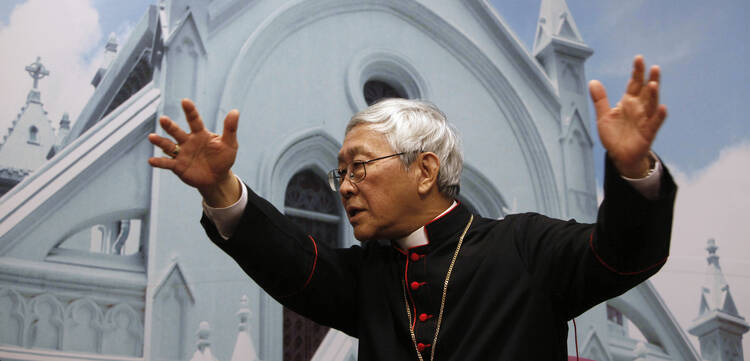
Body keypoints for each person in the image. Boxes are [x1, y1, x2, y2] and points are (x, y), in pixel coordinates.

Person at [148, 55, 675, 360]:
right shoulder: (369, 278)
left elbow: (622, 255)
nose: (344, 187)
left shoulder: (525, 248)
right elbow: (291, 259)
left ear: (424, 170)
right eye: (341, 171)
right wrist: (219, 188)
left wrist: (632, 172)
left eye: (359, 167)